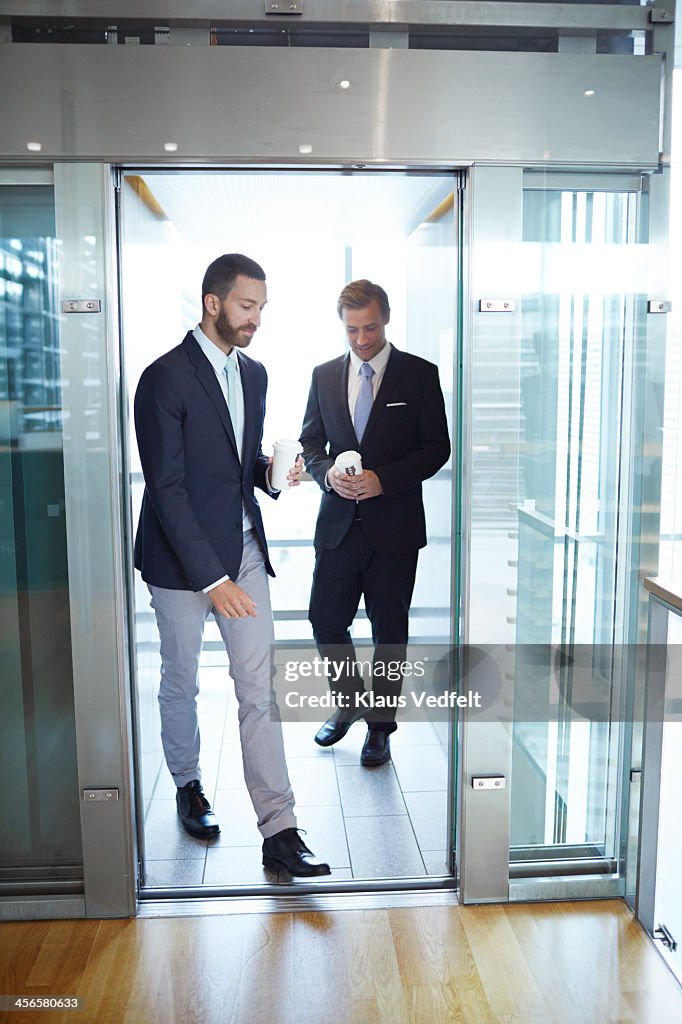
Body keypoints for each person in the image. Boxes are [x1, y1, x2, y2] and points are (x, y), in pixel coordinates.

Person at [134, 253, 329, 877]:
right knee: (181, 679)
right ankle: (189, 784)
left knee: (258, 688)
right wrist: (211, 581)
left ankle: (280, 828)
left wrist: (276, 477)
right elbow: (167, 487)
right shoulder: (163, 378)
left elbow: (235, 468)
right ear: (213, 303)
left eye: (262, 309)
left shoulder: (256, 373)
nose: (257, 320)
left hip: (241, 548)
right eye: (248, 306)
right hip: (178, 559)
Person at [300, 279, 451, 766]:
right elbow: (311, 445)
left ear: (385, 318)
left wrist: (384, 479)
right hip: (339, 525)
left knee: (389, 630)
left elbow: (436, 448)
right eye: (352, 330)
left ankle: (380, 727)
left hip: (395, 528)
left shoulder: (419, 375)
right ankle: (349, 701)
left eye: (370, 327)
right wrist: (328, 479)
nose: (362, 339)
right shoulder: (324, 376)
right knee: (325, 619)